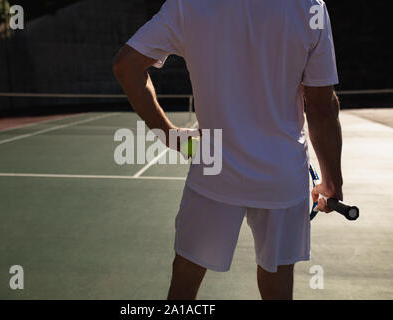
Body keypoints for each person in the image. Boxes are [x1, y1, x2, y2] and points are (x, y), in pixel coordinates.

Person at [113, 0, 343, 300]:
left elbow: (126, 66)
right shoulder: (310, 8)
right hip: (282, 176)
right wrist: (331, 181)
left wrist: (169, 135)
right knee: (278, 289)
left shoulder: (188, 5)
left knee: (183, 288)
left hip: (214, 170)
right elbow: (322, 108)